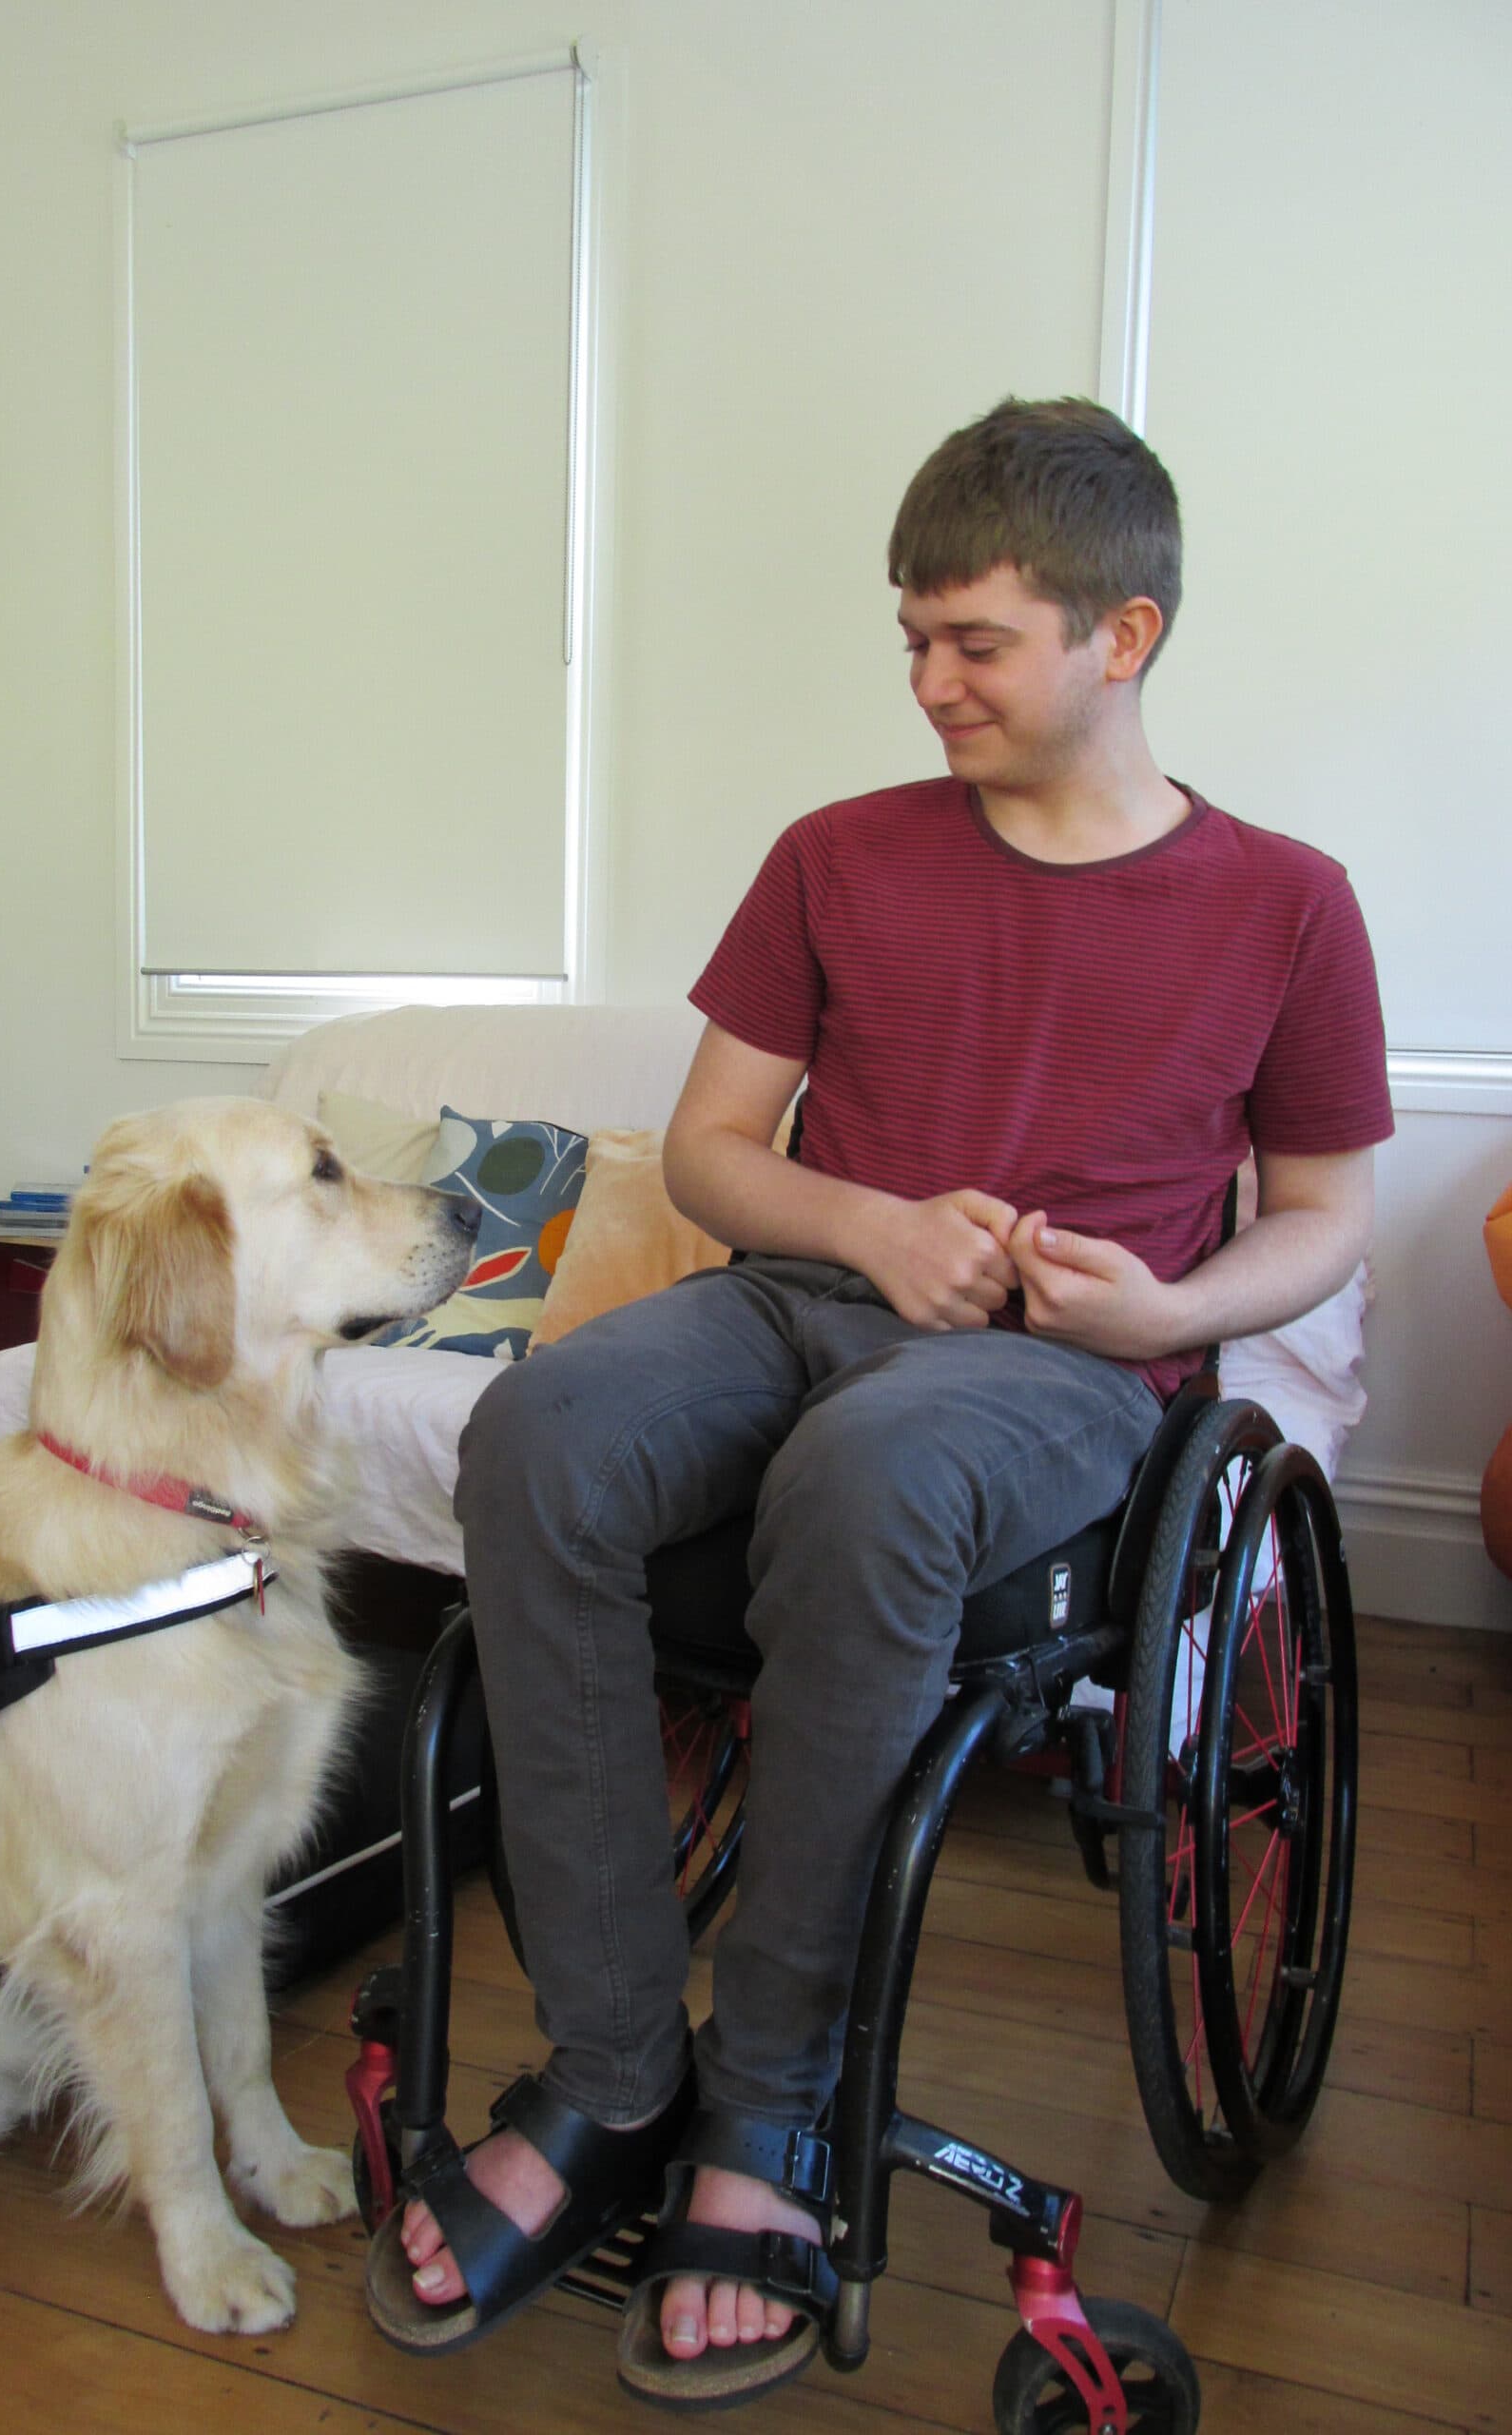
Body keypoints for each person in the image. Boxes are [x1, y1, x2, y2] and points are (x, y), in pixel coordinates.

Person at [363, 397, 1392, 2407]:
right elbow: (717, 1148)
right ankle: (612, 2074)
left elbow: (1330, 1217)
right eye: (910, 634)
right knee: (538, 1432)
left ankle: (774, 2104)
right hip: (798, 1296)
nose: (927, 681)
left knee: (877, 1469)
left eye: (977, 641)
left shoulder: (1286, 903)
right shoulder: (838, 855)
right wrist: (872, 1219)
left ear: (1127, 633)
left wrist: (1165, 1299)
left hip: (1061, 1378)